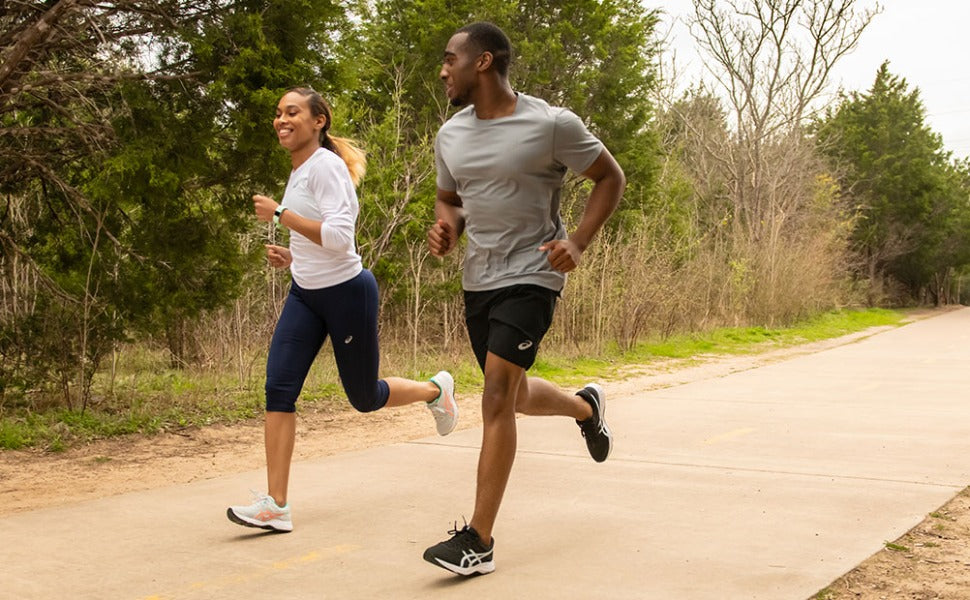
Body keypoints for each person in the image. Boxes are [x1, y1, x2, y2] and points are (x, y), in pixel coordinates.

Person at [422, 23, 625, 575]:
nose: (442, 70)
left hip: (534, 273)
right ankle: (586, 407)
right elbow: (450, 201)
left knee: (492, 397)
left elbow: (610, 176)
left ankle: (478, 541)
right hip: (478, 278)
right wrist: (447, 230)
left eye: (450, 59)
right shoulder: (451, 135)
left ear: (482, 62)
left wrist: (578, 241)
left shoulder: (551, 124)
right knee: (509, 396)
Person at [227, 87, 459, 533]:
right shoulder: (299, 171)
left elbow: (339, 237)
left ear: (319, 121)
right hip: (305, 294)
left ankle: (436, 390)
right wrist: (292, 257)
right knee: (278, 389)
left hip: (347, 293)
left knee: (364, 397)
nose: (281, 120)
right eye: (278, 114)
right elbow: (317, 241)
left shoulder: (327, 167)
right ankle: (276, 506)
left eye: (292, 112)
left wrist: (280, 215)